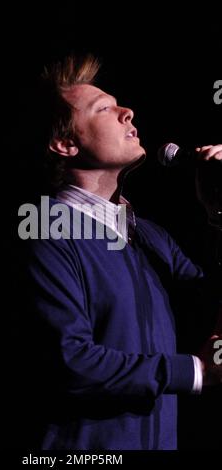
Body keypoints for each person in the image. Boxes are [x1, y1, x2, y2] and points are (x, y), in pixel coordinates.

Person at [22, 54, 222, 450]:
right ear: (65, 143)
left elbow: (210, 303)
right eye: (105, 108)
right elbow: (71, 363)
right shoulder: (47, 231)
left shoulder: (149, 235)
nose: (127, 112)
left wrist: (219, 214)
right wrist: (195, 371)